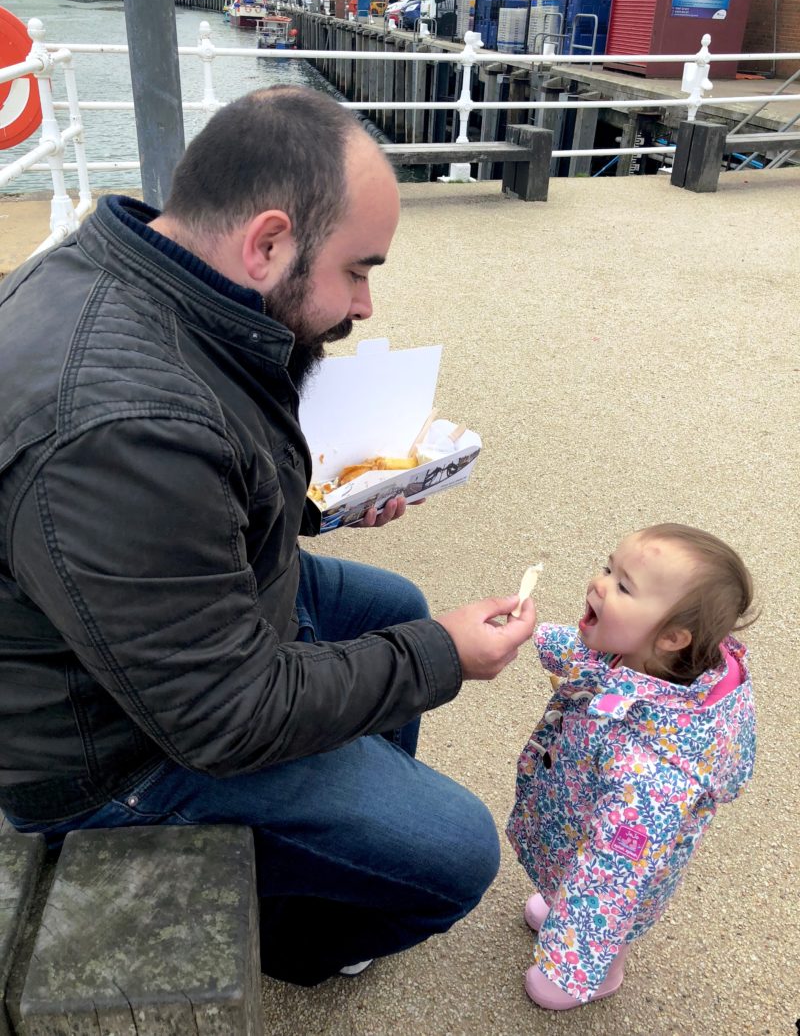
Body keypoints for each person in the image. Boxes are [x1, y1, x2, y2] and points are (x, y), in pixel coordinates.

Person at [0, 86, 536, 986]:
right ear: (269, 242)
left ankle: (329, 824)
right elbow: (226, 714)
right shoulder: (122, 426)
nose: (364, 304)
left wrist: (322, 504)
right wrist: (441, 654)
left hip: (130, 638)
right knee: (456, 850)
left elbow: (194, 488)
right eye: (359, 269)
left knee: (391, 606)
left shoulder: (141, 274)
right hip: (104, 747)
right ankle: (300, 940)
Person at [506, 523, 756, 1010]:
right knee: (567, 871)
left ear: (673, 637)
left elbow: (612, 875)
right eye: (607, 568)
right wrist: (532, 637)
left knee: (596, 892)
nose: (599, 584)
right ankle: (560, 902)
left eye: (622, 586)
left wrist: (571, 958)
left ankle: (597, 972)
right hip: (577, 804)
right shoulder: (640, 655)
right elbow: (589, 660)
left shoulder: (653, 772)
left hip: (621, 852)